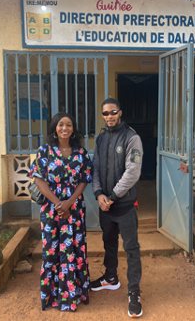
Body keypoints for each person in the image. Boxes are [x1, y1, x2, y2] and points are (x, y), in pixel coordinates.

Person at [28, 112, 93, 312]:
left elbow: (84, 179)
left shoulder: (80, 153)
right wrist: (58, 204)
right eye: (61, 125)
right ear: (55, 128)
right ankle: (53, 296)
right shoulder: (45, 151)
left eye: (69, 125)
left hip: (74, 209)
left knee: (75, 249)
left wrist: (69, 203)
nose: (65, 128)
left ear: (73, 129)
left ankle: (76, 293)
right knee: (51, 251)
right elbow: (38, 179)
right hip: (51, 209)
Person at [91, 98, 143, 318]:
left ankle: (134, 292)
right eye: (105, 113)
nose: (109, 116)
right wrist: (99, 194)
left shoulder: (132, 138)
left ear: (119, 113)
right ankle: (110, 278)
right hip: (106, 207)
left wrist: (111, 196)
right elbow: (95, 169)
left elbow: (132, 172)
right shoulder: (101, 138)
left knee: (131, 249)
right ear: (102, 115)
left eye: (113, 112)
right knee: (109, 243)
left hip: (124, 206)